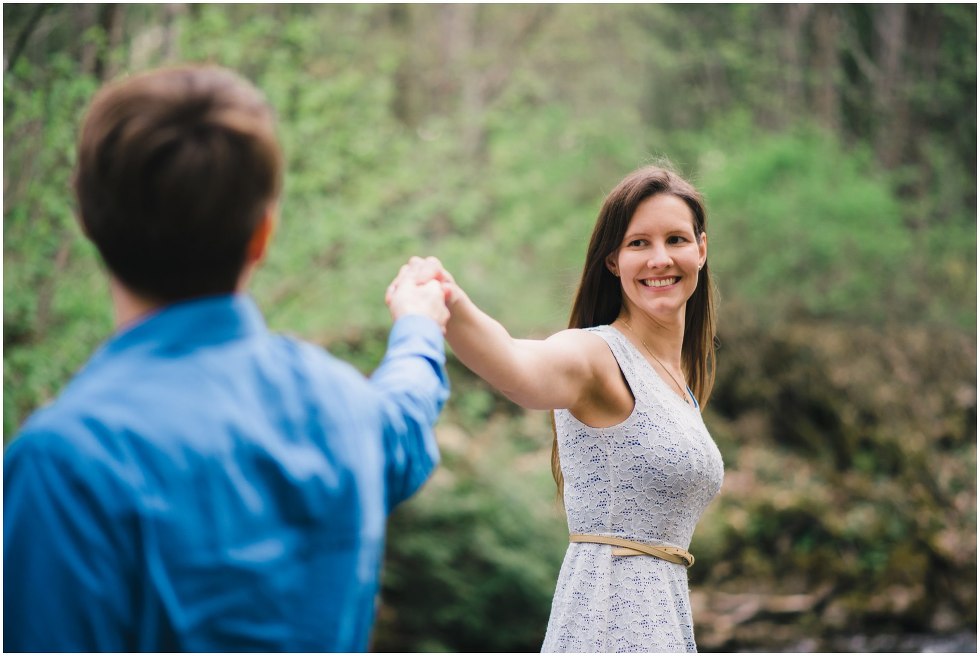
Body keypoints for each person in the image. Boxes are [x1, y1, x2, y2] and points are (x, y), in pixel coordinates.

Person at [3, 65, 452, 652]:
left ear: (85, 217)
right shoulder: (344, 408)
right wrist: (418, 327)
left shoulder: (65, 462)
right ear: (263, 234)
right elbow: (406, 415)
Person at [428, 165, 725, 652]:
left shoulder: (677, 381)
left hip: (664, 623)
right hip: (608, 621)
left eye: (675, 239)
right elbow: (516, 364)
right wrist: (449, 301)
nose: (660, 259)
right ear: (612, 260)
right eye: (638, 244)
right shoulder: (596, 356)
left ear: (701, 249)